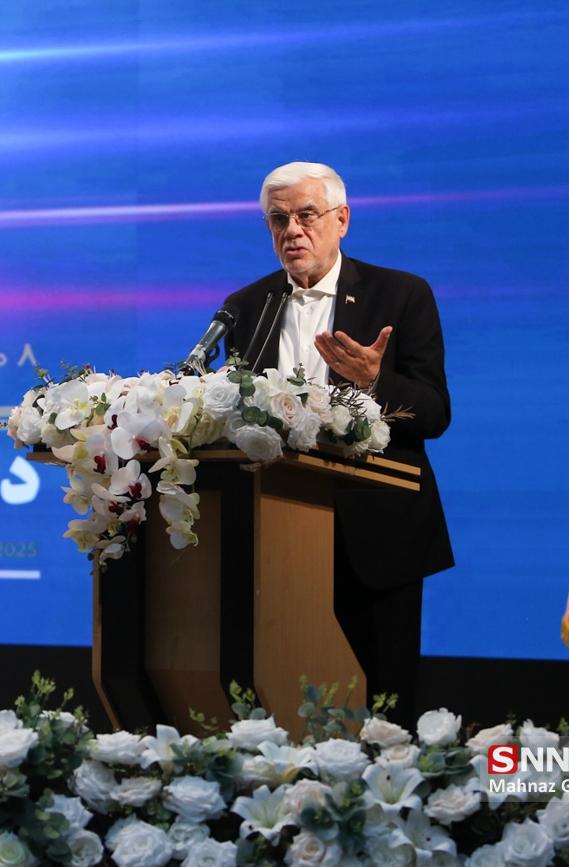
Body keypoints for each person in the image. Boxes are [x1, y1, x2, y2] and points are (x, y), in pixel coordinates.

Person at [222, 161, 454, 726]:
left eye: (307, 216)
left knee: (384, 713)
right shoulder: (246, 306)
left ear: (342, 219)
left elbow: (435, 413)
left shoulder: (401, 294)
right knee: (278, 705)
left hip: (375, 536)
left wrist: (375, 381)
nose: (292, 231)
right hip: (273, 542)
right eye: (278, 220)